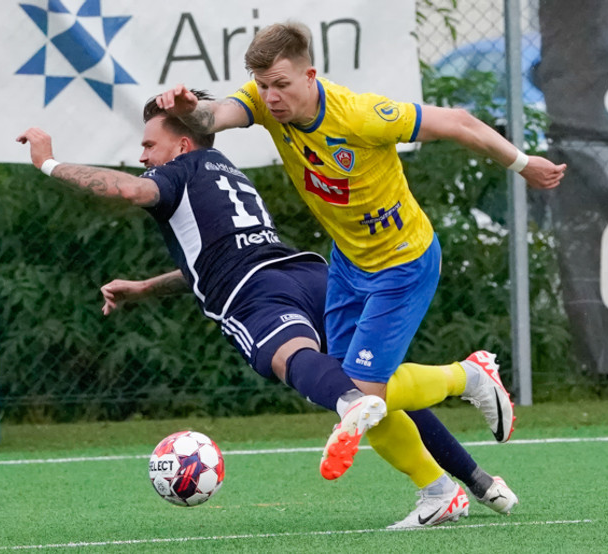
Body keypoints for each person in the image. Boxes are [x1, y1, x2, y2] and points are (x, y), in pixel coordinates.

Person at [17, 92, 518, 528]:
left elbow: (129, 190)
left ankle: (418, 393)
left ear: (183, 145)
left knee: (298, 363)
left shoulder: (176, 173)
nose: (142, 155)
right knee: (374, 383)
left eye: (150, 145)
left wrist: (48, 162)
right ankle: (466, 479)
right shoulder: (222, 170)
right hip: (306, 274)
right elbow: (212, 259)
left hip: (255, 293)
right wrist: (146, 288)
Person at [155, 21, 566, 529]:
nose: (271, 97)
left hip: (403, 262)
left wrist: (522, 163)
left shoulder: (359, 115)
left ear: (310, 76)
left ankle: (470, 377)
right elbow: (213, 115)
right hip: (349, 265)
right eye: (262, 85)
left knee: (363, 396)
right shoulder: (262, 102)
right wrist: (186, 109)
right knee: (354, 394)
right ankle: (439, 492)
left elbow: (458, 122)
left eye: (281, 84)